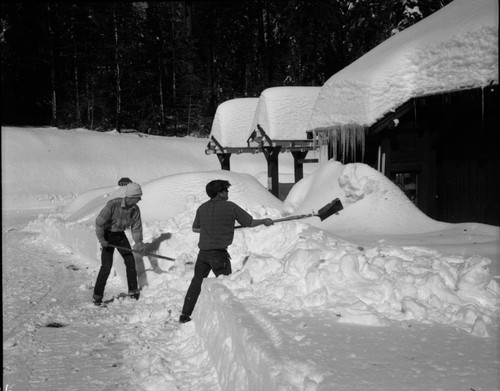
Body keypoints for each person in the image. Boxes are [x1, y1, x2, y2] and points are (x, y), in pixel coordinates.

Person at [179, 179, 273, 323]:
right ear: (220, 193)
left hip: (203, 254)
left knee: (196, 282)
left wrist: (211, 227)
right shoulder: (230, 207)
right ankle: (230, 319)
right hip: (219, 255)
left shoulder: (202, 208)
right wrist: (264, 221)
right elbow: (249, 222)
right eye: (226, 190)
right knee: (226, 285)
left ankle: (185, 314)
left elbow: (195, 228)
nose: (228, 192)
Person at [92, 182, 146, 305]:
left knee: (130, 262)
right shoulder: (113, 204)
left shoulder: (135, 210)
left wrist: (139, 244)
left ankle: (133, 291)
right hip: (107, 235)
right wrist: (102, 240)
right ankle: (97, 295)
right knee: (106, 266)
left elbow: (136, 228)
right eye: (138, 197)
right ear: (132, 196)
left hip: (120, 235)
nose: (140, 199)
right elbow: (99, 222)